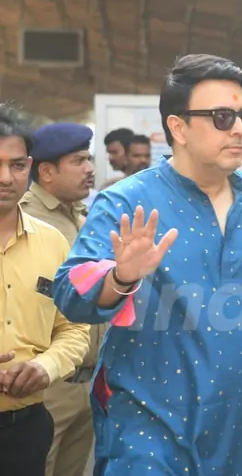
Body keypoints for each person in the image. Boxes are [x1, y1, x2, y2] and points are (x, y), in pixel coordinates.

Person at [51, 54, 242, 476]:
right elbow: (70, 293)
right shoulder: (126, 202)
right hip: (150, 428)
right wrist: (120, 277)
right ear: (178, 128)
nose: (241, 130)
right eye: (224, 117)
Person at [0, 104, 91, 476]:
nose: (6, 177)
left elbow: (74, 326)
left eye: (17, 165)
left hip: (27, 426)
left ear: (31, 166)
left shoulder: (53, 242)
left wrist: (45, 366)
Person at [20, 123, 99, 476]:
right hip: (46, 385)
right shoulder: (25, 220)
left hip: (86, 383)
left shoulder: (81, 218)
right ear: (47, 171)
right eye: (79, 161)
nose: (90, 169)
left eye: (89, 158)